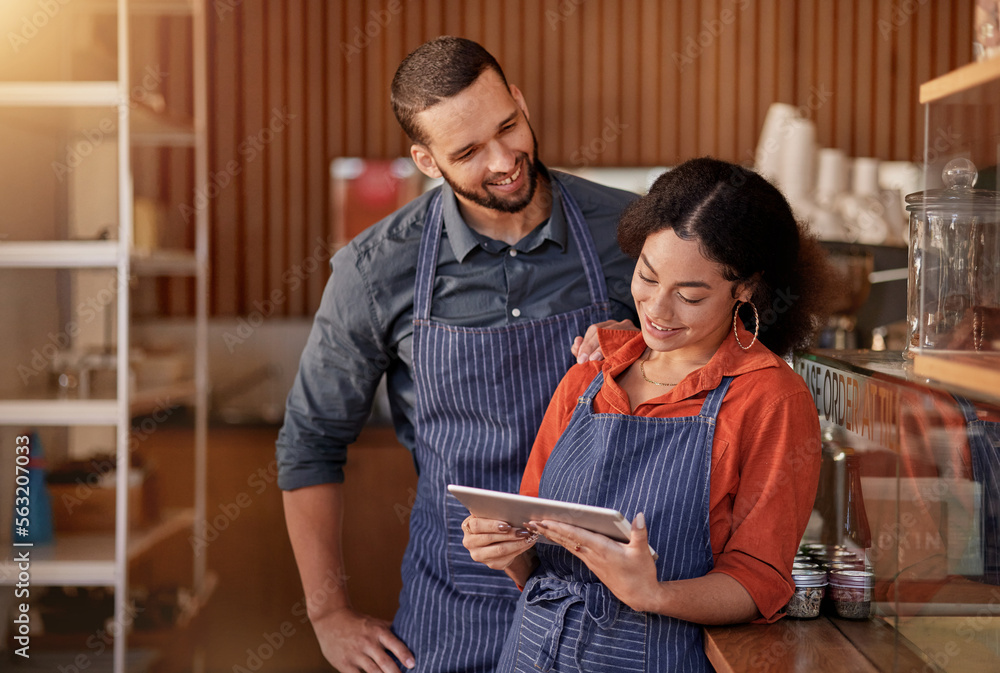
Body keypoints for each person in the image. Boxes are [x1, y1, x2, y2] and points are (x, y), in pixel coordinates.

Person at [276, 36, 638, 673]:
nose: (504, 161)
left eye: (509, 126)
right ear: (425, 159)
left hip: (610, 602)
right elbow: (310, 444)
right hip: (453, 614)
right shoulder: (374, 270)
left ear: (519, 100)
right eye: (468, 152)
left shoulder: (631, 234)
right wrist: (327, 615)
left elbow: (711, 389)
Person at [463, 157, 837, 671]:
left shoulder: (770, 398)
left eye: (690, 295)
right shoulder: (587, 377)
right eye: (647, 276)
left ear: (745, 290)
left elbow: (759, 580)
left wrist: (654, 594)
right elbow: (534, 545)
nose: (658, 310)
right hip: (531, 651)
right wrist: (505, 550)